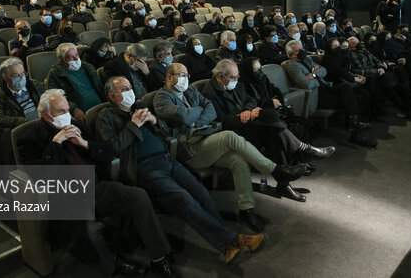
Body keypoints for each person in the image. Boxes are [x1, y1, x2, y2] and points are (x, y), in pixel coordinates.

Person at [96, 77, 265, 264]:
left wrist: (154, 121)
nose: (130, 91)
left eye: (130, 87)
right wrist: (133, 125)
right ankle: (231, 240)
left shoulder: (140, 105)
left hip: (167, 158)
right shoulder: (106, 117)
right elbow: (112, 148)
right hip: (145, 167)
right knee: (182, 197)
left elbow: (165, 131)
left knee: (200, 192)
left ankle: (226, 241)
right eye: (124, 89)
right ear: (112, 96)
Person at [16, 89, 178, 277]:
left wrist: (84, 144)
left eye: (67, 110)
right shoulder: (28, 138)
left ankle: (159, 258)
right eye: (61, 111)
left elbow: (107, 152)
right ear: (45, 114)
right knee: (90, 231)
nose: (67, 115)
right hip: (65, 198)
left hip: (96, 186)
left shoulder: (79, 126)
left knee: (138, 196)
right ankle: (113, 265)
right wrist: (56, 143)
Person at [155, 62, 310, 228]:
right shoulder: (161, 98)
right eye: (182, 75)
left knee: (238, 161)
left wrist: (197, 119)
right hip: (189, 149)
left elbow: (210, 109)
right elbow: (183, 117)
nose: (186, 79)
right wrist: (197, 112)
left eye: (187, 75)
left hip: (206, 138)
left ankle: (247, 210)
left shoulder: (190, 91)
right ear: (169, 78)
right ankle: (276, 170)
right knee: (230, 136)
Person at [203, 60, 334, 202]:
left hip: (250, 124)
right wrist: (245, 117)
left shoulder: (233, 83)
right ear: (221, 76)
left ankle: (286, 180)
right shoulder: (210, 93)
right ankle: (303, 151)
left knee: (275, 133)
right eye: (233, 77)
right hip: (234, 132)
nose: (237, 80)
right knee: (274, 128)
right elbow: (221, 121)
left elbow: (250, 99)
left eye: (237, 76)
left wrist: (248, 111)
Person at [285, 40, 376, 148]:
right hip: (316, 96)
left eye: (302, 49)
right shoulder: (293, 66)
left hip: (326, 87)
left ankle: (354, 128)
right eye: (297, 50)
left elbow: (324, 70)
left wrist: (313, 75)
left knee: (346, 88)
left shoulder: (307, 59)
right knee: (351, 97)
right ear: (291, 55)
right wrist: (316, 75)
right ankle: (355, 130)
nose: (302, 51)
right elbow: (306, 85)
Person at [346, 36, 411, 120]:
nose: (358, 44)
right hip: (371, 76)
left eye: (358, 42)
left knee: (400, 86)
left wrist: (381, 67)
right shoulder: (351, 54)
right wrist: (377, 70)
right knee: (390, 88)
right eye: (355, 43)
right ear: (350, 46)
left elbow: (377, 60)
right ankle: (407, 110)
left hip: (379, 73)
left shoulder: (364, 51)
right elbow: (360, 69)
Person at [45, 43, 105, 122]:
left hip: (102, 108)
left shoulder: (88, 67)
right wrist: (73, 108)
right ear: (61, 61)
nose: (76, 59)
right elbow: (55, 98)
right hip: (82, 114)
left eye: (76, 55)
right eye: (70, 57)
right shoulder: (56, 73)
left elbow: (100, 88)